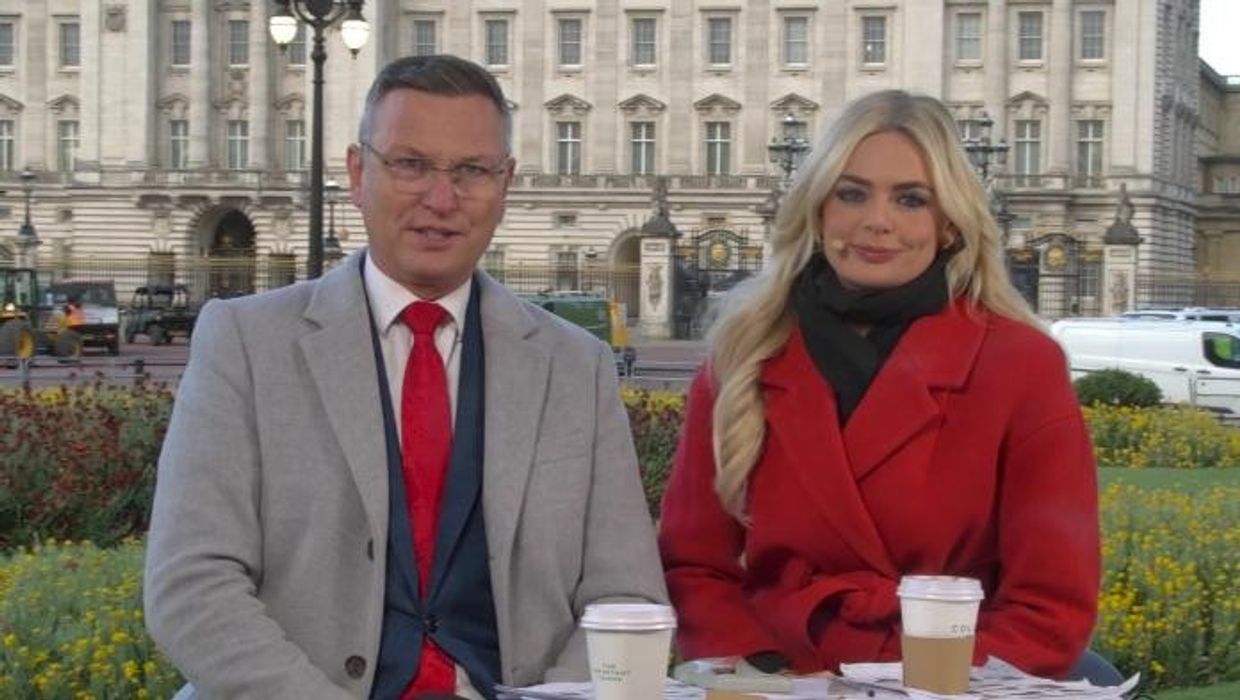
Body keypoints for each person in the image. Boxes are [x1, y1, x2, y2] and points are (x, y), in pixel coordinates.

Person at [144, 54, 666, 700]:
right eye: (410, 164)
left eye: (470, 170)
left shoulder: (575, 365)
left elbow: (625, 596)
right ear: (358, 172)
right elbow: (190, 584)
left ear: (504, 184)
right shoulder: (246, 343)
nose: (440, 200)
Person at [658, 90, 1099, 680]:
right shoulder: (744, 353)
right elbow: (693, 566)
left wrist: (909, 684)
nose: (877, 221)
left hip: (948, 682)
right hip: (780, 681)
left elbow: (1050, 606)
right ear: (818, 208)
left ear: (948, 224)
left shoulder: (1021, 364)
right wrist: (764, 673)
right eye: (852, 193)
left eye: (911, 199)